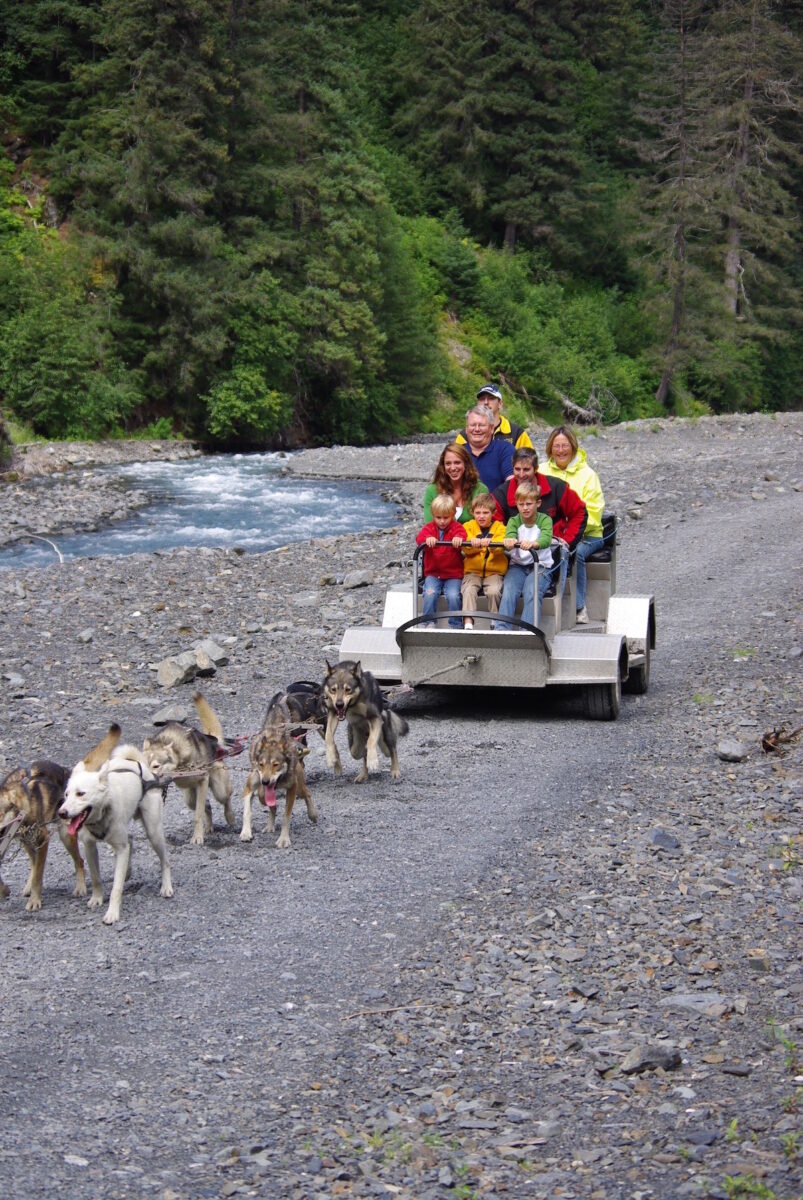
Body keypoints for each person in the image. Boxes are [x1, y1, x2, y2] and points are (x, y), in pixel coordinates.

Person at [541, 425, 604, 624]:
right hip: (550, 533)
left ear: (573, 447)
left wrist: (569, 533)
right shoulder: (540, 471)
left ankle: (578, 607)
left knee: (573, 552)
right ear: (550, 448)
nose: (560, 450)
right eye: (556, 446)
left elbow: (594, 511)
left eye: (564, 446)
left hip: (588, 535)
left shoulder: (588, 475)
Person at [495, 482, 553, 630]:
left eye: (529, 504)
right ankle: (501, 629)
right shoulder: (514, 521)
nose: (525, 508)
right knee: (509, 591)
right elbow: (511, 535)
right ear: (516, 505)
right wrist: (509, 541)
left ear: (538, 503)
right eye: (521, 504)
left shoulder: (545, 520)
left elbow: (546, 539)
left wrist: (533, 544)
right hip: (518, 566)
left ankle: (527, 631)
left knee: (532, 591)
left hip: (540, 565)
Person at [415, 493, 467, 628]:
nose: (442, 521)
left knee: (453, 596)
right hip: (433, 573)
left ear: (453, 515)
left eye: (446, 517)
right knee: (429, 593)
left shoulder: (456, 528)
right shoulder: (429, 528)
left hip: (453, 574)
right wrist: (427, 540)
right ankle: (428, 621)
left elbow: (463, 535)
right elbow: (419, 539)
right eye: (438, 517)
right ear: (433, 515)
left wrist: (459, 539)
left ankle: (456, 624)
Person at [460, 492, 509, 629]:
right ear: (472, 513)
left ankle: (494, 621)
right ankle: (468, 622)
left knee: (493, 591)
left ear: (493, 513)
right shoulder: (468, 526)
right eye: (478, 513)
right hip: (473, 571)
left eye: (485, 513)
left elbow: (500, 547)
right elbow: (466, 548)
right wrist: (473, 543)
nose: (481, 516)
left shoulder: (500, 528)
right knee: (468, 589)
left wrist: (491, 544)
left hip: (494, 572)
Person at [423, 442, 489, 526]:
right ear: (443, 466)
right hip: (441, 539)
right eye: (448, 464)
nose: (453, 468)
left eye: (457, 463)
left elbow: (485, 523)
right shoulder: (432, 490)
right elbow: (430, 525)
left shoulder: (480, 489)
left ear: (466, 464)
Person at [457, 384, 533, 450]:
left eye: (491, 398)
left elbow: (530, 462)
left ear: (500, 403)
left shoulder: (517, 433)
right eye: (482, 399)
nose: (486, 402)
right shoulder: (465, 436)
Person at [460, 404, 515, 492]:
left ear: (491, 428)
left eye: (481, 425)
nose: (477, 429)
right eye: (473, 425)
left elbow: (512, 481)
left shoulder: (505, 449)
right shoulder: (458, 452)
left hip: (496, 504)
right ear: (466, 428)